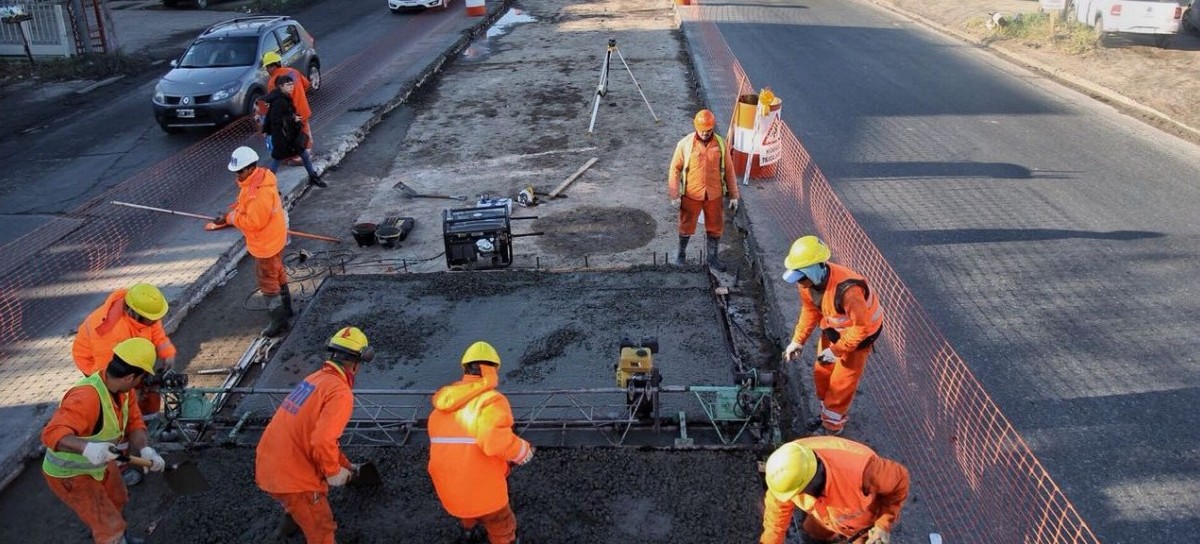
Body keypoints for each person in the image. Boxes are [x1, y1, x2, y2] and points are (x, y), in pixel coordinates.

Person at [255, 326, 374, 544]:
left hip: (269, 462)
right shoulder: (340, 393)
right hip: (292, 477)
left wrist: (346, 465)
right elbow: (322, 440)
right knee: (321, 528)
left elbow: (317, 435)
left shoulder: (315, 379)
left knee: (298, 503)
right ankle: (301, 516)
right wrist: (333, 472)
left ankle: (290, 522)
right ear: (357, 364)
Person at [42, 338, 167, 544]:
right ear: (129, 377)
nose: (142, 384)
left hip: (100, 461)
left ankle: (122, 537)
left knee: (118, 498)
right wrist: (86, 448)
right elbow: (52, 434)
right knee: (108, 525)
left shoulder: (124, 392)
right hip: (71, 473)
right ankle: (114, 538)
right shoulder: (86, 397)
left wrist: (146, 450)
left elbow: (134, 422)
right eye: (141, 378)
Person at [428, 341, 534, 544]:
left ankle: (469, 533)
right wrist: (523, 450)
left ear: (465, 369)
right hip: (485, 496)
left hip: (450, 493)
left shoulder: (440, 409)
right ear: (492, 370)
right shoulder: (491, 401)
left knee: (468, 510)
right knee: (501, 522)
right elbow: (494, 440)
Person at [781, 236, 884, 435]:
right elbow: (810, 311)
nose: (800, 284)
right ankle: (824, 414)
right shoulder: (807, 284)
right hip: (834, 331)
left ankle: (832, 427)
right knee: (822, 371)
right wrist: (797, 341)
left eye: (801, 277)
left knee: (841, 383)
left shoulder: (848, 291)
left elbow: (861, 328)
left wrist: (836, 351)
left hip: (859, 339)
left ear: (814, 269)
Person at [760, 437, 909, 544]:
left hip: (862, 523)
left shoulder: (865, 471)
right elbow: (775, 523)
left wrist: (882, 526)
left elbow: (900, 481)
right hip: (825, 519)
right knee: (813, 532)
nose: (796, 497)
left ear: (811, 481)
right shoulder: (784, 476)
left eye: (799, 493)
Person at [215, 146, 294, 337]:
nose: (237, 175)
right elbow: (245, 206)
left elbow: (254, 222)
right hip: (274, 238)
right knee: (277, 272)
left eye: (240, 171)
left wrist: (231, 218)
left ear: (250, 168)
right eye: (236, 171)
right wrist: (231, 213)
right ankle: (287, 309)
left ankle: (279, 322)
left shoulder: (258, 193)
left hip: (266, 243)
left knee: (268, 281)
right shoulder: (258, 180)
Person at [72, 283, 177, 418]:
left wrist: (168, 354)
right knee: (117, 398)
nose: (155, 321)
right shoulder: (110, 331)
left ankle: (149, 420)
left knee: (149, 389)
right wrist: (129, 393)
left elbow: (156, 332)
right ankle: (121, 425)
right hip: (96, 362)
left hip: (131, 352)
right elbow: (110, 374)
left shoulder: (145, 314)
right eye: (151, 319)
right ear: (134, 313)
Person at [667, 108, 739, 270]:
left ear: (713, 127)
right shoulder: (685, 144)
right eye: (702, 130)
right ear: (696, 128)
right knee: (686, 225)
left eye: (708, 130)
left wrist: (734, 195)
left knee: (715, 227)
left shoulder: (720, 144)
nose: (705, 133)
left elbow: (729, 170)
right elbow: (674, 169)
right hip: (691, 194)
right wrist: (674, 195)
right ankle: (681, 255)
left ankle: (712, 259)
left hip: (714, 195)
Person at [262, 75, 324, 187]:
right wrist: (293, 118)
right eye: (288, 85)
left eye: (292, 84)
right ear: (281, 86)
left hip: (289, 136)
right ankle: (268, 186)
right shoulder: (280, 101)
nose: (292, 87)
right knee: (277, 160)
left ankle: (313, 176)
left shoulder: (282, 98)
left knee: (303, 155)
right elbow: (275, 120)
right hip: (283, 137)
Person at [262, 51, 313, 153]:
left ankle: (303, 156)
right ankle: (308, 153)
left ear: (273, 66)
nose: (267, 70)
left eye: (267, 67)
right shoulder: (293, 71)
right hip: (303, 109)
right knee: (306, 131)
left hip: (291, 114)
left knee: (296, 136)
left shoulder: (273, 82)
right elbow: (307, 85)